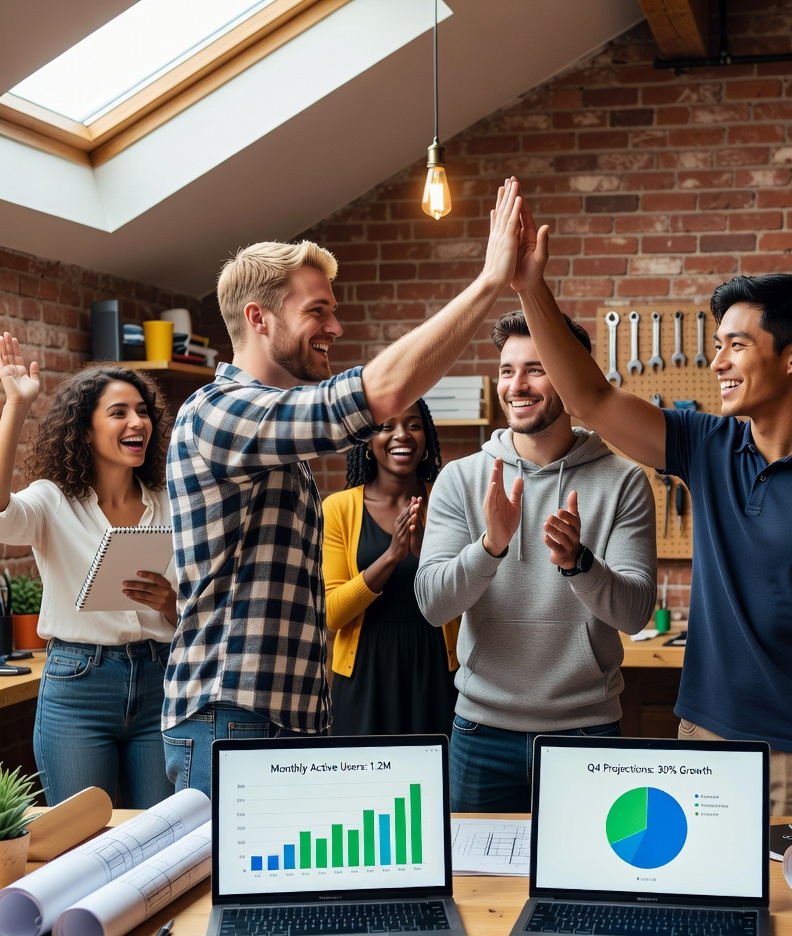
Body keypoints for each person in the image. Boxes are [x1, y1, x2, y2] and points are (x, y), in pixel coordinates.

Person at [511, 205, 792, 839]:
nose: (719, 362)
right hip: (700, 737)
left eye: (737, 345)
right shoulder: (708, 447)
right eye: (716, 345)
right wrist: (530, 289)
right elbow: (591, 397)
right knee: (700, 921)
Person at [163, 179, 523, 796]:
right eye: (316, 311)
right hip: (233, 720)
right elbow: (374, 397)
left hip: (287, 721)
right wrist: (489, 281)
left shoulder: (271, 428)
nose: (335, 324)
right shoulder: (217, 413)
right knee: (228, 899)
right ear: (258, 318)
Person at [414, 309, 657, 812]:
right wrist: (490, 548)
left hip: (586, 731)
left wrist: (579, 564)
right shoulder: (460, 479)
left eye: (536, 368)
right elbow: (433, 606)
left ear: (571, 376)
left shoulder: (623, 481)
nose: (516, 385)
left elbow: (635, 615)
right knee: (475, 887)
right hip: (481, 732)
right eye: (507, 370)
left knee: (589, 890)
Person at [0, 335, 176, 808]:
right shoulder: (52, 501)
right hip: (79, 686)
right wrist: (16, 405)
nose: (137, 421)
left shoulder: (169, 503)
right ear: (84, 430)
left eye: (142, 411)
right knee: (80, 841)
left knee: (158, 836)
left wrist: (171, 604)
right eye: (118, 413)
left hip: (160, 680)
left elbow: (200, 605)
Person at [323, 398, 458, 735]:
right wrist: (390, 556)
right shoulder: (338, 509)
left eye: (413, 425)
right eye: (387, 426)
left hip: (437, 669)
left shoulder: (447, 501)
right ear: (368, 442)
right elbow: (333, 614)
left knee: (436, 783)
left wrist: (426, 550)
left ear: (425, 438)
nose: (402, 435)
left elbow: (467, 596)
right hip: (364, 674)